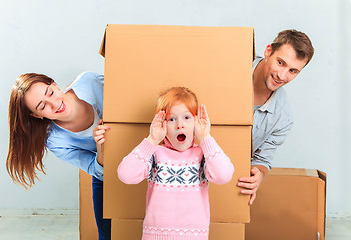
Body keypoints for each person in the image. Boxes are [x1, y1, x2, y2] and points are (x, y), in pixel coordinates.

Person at [114, 87, 234, 240]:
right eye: (172, 119)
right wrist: (151, 140)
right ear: (162, 124)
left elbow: (224, 175)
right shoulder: (154, 153)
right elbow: (126, 175)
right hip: (155, 236)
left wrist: (206, 137)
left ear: (196, 121)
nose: (179, 125)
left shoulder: (204, 154)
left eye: (187, 118)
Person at [6, 72, 111, 240]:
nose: (55, 104)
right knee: (106, 234)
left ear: (54, 84)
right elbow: (95, 169)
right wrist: (102, 149)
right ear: (37, 115)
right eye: (42, 106)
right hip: (106, 173)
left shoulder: (90, 82)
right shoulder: (55, 140)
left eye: (51, 93)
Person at [237, 29, 314, 205]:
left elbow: (262, 160)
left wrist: (258, 176)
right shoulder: (235, 64)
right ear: (267, 52)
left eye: (293, 71)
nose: (282, 76)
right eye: (280, 63)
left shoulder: (283, 118)